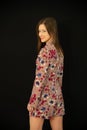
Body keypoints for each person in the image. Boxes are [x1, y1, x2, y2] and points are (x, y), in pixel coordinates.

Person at [27, 17, 65, 130]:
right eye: (39, 31)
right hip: (57, 97)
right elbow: (60, 77)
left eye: (44, 31)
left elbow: (40, 80)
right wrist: (57, 94)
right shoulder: (59, 51)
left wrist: (33, 102)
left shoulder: (45, 52)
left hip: (41, 99)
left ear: (52, 31)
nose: (40, 34)